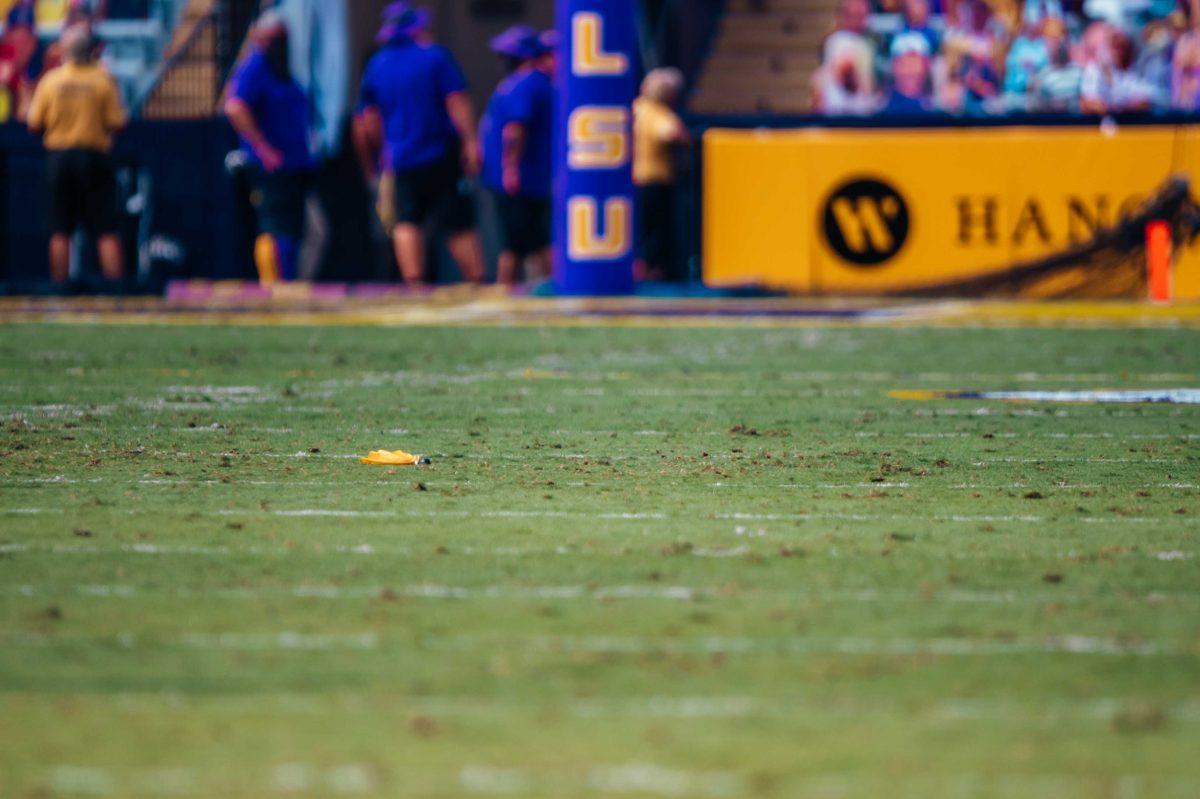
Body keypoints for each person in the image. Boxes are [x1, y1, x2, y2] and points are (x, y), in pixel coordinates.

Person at [357, 2, 485, 287]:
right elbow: (457, 102)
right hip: (440, 154)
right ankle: (476, 280)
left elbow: (367, 119)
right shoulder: (435, 57)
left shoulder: (377, 65)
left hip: (400, 157)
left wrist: (380, 154)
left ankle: (414, 283)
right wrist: (471, 141)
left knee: (407, 220)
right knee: (457, 221)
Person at [27, 23, 127, 284]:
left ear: (64, 50)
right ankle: (116, 293)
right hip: (94, 157)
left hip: (59, 158)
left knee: (60, 228)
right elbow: (118, 122)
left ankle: (60, 292)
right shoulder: (103, 81)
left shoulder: (51, 81)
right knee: (106, 227)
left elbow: (34, 123)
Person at [223, 11, 317, 284]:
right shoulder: (256, 66)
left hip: (296, 164)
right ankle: (274, 285)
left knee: (302, 230)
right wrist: (263, 147)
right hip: (270, 165)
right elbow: (235, 107)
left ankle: (290, 281)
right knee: (276, 226)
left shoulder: (282, 68)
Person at [480, 26, 556, 285]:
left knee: (519, 242)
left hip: (522, 176)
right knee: (527, 240)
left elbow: (515, 130)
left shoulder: (525, 83)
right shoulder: (531, 83)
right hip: (526, 175)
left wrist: (509, 167)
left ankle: (511, 290)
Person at [633, 67, 690, 282]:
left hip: (635, 177)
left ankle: (642, 270)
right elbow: (672, 133)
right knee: (656, 233)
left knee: (641, 230)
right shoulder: (658, 113)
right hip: (655, 178)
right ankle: (651, 273)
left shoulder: (636, 108)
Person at [880, 32, 935, 113]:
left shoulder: (937, 106)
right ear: (893, 66)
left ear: (926, 65)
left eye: (914, 63)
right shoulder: (881, 107)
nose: (909, 71)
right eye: (903, 63)